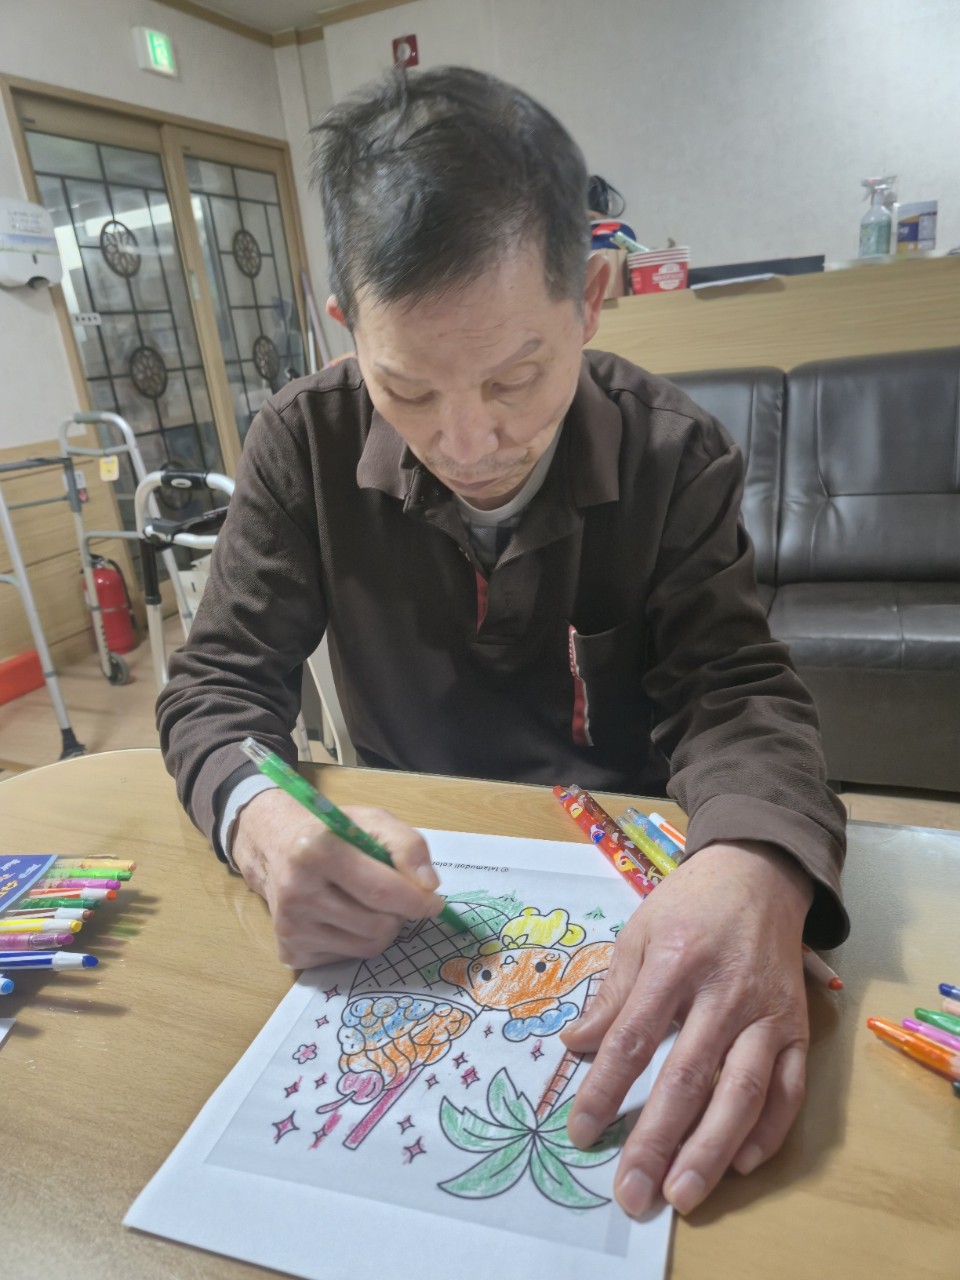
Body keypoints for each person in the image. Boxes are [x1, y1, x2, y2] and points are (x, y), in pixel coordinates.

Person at [157, 65, 848, 1222]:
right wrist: (264, 820)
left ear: (593, 298)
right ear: (345, 326)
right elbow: (215, 687)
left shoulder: (676, 453)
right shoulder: (303, 442)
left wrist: (757, 863)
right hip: (406, 892)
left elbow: (735, 694)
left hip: (629, 895)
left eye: (516, 377)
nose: (468, 440)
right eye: (407, 388)